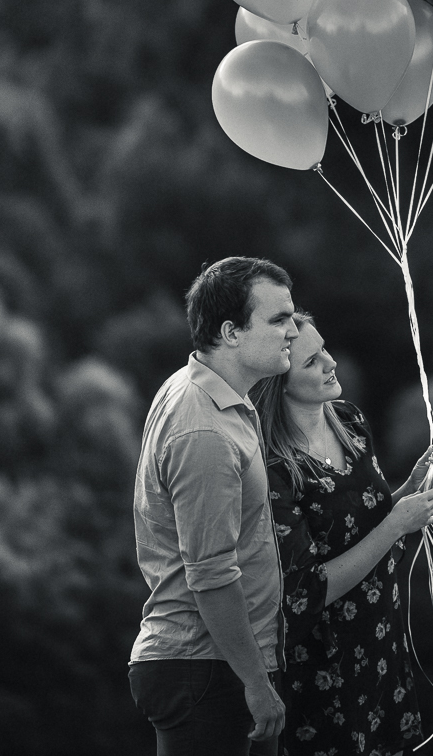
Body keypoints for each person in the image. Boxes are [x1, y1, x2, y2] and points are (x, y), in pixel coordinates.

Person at [254, 311, 433, 756]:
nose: (330, 363)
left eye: (324, 349)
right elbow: (305, 592)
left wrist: (410, 487)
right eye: (312, 362)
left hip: (381, 644)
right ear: (280, 383)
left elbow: (367, 527)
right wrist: (399, 521)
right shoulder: (273, 468)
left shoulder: (351, 423)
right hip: (326, 665)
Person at [129, 256, 300, 756]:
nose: (293, 330)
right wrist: (255, 681)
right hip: (206, 669)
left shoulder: (214, 395)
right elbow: (210, 574)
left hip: (222, 665)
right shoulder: (203, 428)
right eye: (279, 319)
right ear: (231, 332)